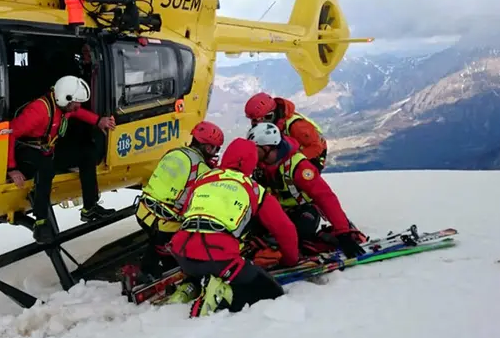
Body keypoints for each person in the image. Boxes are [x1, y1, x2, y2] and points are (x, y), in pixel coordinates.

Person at [168, 138, 300, 318]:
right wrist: (291, 259)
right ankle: (223, 295)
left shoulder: (204, 179)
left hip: (181, 252)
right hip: (219, 256)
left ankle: (187, 289)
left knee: (204, 267)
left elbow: (186, 212)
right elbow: (285, 229)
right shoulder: (253, 189)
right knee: (272, 292)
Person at [6, 75, 117, 244]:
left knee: (87, 154)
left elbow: (79, 112)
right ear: (66, 99)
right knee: (46, 170)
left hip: (47, 149)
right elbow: (9, 133)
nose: (78, 106)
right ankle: (41, 221)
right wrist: (11, 168)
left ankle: (90, 207)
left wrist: (98, 121)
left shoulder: (65, 107)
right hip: (26, 151)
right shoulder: (39, 111)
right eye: (77, 102)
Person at [246, 122, 366, 258]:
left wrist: (343, 232)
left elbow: (324, 196)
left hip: (304, 210)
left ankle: (332, 238)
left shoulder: (298, 166)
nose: (252, 153)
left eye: (256, 149)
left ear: (267, 147)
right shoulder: (260, 168)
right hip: (278, 211)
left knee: (298, 236)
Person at [132, 120, 225, 281]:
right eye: (215, 148)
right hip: (164, 222)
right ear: (208, 147)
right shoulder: (201, 168)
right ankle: (163, 272)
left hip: (142, 211)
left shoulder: (175, 152)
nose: (215, 152)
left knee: (156, 242)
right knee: (181, 242)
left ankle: (149, 267)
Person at [244, 92, 328, 171]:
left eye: (257, 120)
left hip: (313, 156)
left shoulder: (296, 126)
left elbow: (316, 147)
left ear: (270, 116)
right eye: (254, 120)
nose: (256, 124)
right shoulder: (276, 124)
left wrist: (290, 162)